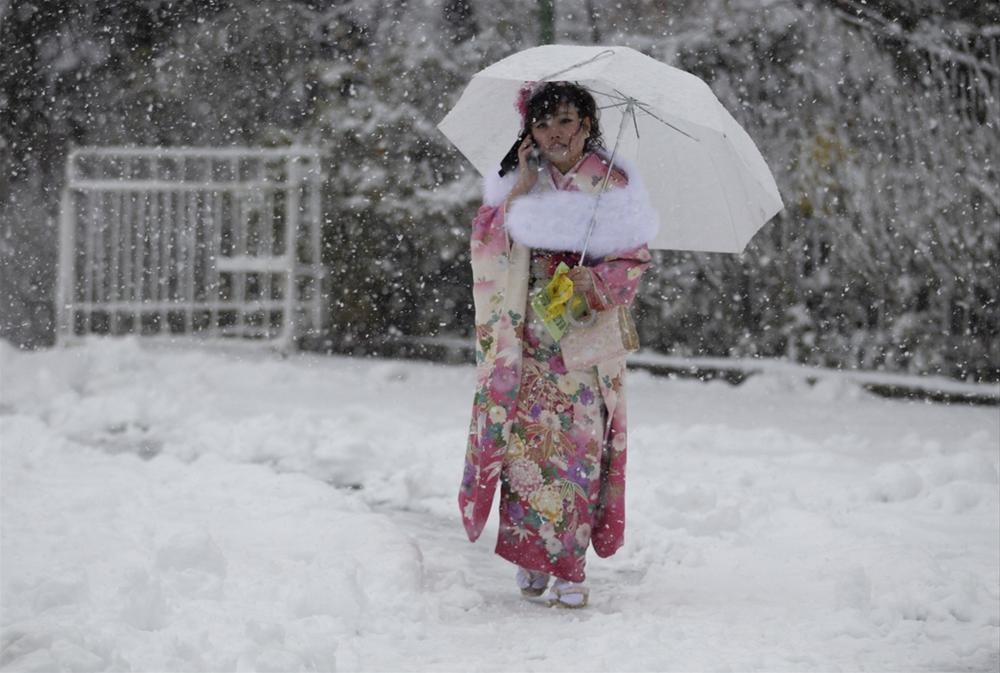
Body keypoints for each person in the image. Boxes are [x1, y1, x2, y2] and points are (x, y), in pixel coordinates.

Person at [458, 81, 659, 608]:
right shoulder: (520, 180)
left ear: (587, 124)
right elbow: (485, 247)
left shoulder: (613, 183)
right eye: (544, 124)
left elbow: (634, 259)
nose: (556, 134)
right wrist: (520, 190)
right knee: (526, 449)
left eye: (566, 122)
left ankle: (569, 566)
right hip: (527, 340)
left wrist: (598, 281)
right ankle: (530, 555)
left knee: (577, 453)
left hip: (583, 343)